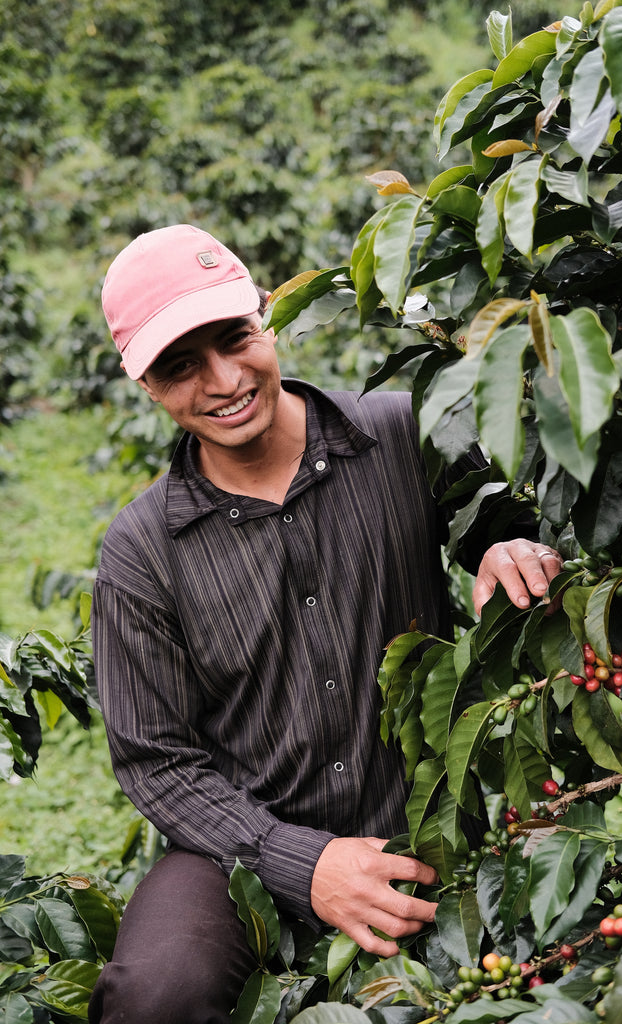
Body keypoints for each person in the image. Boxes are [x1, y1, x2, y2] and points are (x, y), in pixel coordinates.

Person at [89, 224, 562, 1023]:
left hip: (419, 809)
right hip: (239, 835)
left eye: (234, 338)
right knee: (155, 995)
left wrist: (509, 547)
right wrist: (301, 863)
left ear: (267, 316)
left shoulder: (402, 432)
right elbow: (157, 763)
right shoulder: (141, 552)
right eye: (181, 366)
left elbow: (499, 524)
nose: (224, 379)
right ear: (147, 387)